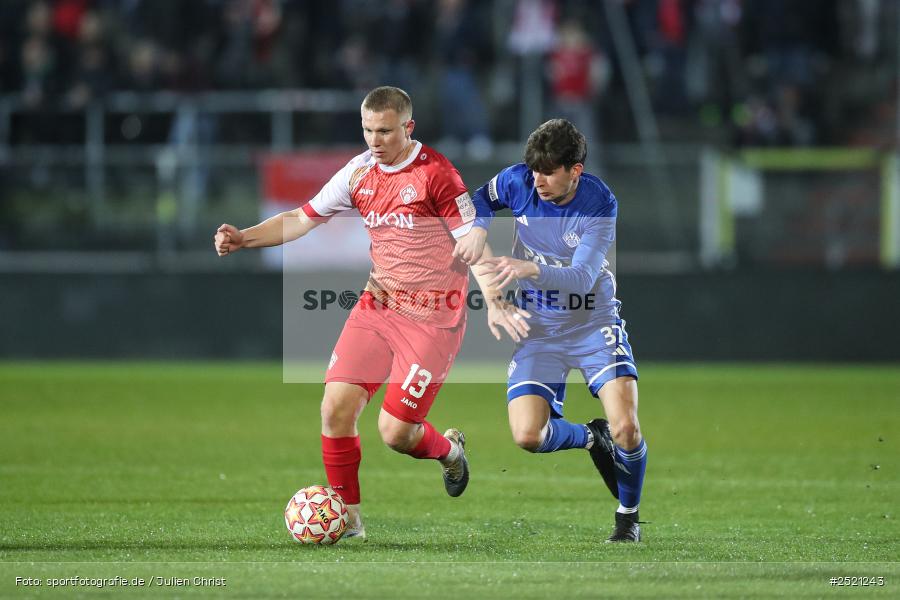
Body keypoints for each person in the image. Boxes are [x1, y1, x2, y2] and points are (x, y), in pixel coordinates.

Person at [214, 86, 493, 540]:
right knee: (334, 409)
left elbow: (473, 241)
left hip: (433, 319)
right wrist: (244, 237)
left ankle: (451, 454)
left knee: (396, 432)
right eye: (367, 130)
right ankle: (350, 522)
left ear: (408, 127)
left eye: (384, 131)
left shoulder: (437, 175)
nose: (374, 140)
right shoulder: (358, 172)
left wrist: (494, 300)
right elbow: (304, 217)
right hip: (378, 305)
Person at [454, 119, 647, 542]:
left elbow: (580, 278)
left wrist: (530, 268)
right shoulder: (517, 181)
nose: (537, 179)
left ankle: (627, 517)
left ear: (574, 170)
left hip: (592, 321)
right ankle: (591, 440)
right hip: (539, 326)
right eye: (534, 169)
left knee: (627, 428)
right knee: (527, 435)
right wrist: (481, 229)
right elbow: (475, 202)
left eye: (548, 171)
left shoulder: (598, 203)